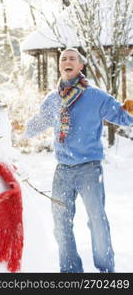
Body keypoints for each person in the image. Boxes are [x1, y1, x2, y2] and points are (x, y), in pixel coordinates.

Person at [23, 48, 133, 273]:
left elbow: (121, 116)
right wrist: (17, 128)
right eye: (63, 58)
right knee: (61, 225)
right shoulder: (53, 100)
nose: (67, 61)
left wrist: (129, 109)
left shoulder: (96, 96)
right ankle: (71, 272)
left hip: (89, 169)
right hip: (62, 171)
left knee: (97, 222)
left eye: (73, 58)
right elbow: (37, 123)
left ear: (81, 66)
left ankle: (105, 270)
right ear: (60, 66)